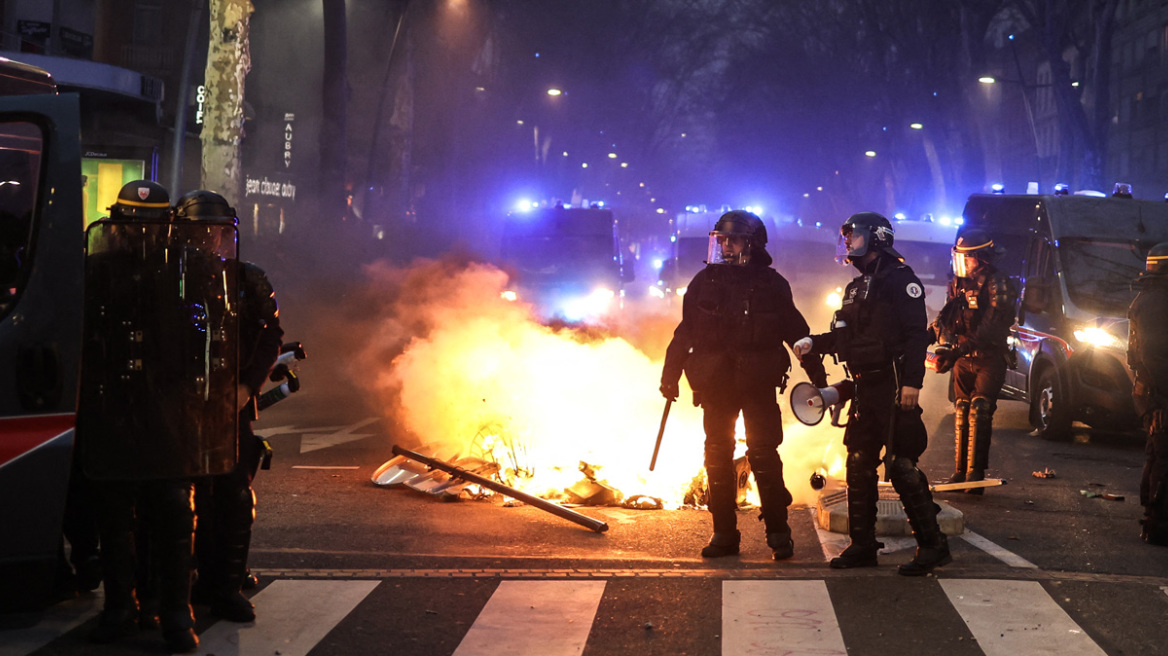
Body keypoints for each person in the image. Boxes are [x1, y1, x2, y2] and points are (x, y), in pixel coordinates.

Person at [78, 180, 241, 653]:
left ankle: (175, 611)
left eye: (150, 225)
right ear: (118, 225)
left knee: (173, 514)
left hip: (169, 411)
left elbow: (210, 337)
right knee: (114, 516)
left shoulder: (190, 272)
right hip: (116, 408)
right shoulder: (98, 271)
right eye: (134, 225)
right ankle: (120, 608)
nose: (141, 234)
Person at [660, 210, 827, 560]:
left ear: (752, 244)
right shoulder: (704, 282)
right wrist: (670, 375)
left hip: (757, 382)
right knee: (717, 456)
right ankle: (724, 535)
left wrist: (818, 376)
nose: (725, 245)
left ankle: (779, 536)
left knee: (763, 454)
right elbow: (685, 332)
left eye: (732, 239)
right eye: (720, 239)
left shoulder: (771, 285)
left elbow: (796, 333)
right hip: (716, 385)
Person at [793, 211, 950, 576]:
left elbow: (915, 335)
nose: (849, 241)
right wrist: (813, 342)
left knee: (901, 466)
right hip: (864, 387)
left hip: (894, 385)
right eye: (847, 235)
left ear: (876, 238)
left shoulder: (902, 281)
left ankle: (933, 545)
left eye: (855, 234)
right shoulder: (855, 287)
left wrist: (913, 383)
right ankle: (862, 545)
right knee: (859, 462)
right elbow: (846, 337)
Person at [178, 190, 283, 621]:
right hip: (180, 405)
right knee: (181, 500)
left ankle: (226, 584)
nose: (208, 239)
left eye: (216, 231)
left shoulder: (248, 279)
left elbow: (269, 337)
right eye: (199, 230)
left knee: (234, 497)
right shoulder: (172, 276)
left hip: (230, 402)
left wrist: (246, 387)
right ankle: (182, 582)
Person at [929, 229, 1016, 493]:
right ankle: (959, 472)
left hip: (989, 357)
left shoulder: (998, 283)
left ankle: (975, 474)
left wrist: (958, 350)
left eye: (967, 258)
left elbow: (991, 328)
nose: (962, 263)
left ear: (980, 258)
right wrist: (940, 342)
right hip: (962, 359)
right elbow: (947, 316)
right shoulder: (957, 281)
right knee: (961, 409)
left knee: (980, 409)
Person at [1128, 241, 1168, 546]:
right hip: (1158, 391)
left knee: (1159, 453)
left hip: (1151, 388)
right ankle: (1156, 523)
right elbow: (1155, 355)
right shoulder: (1157, 304)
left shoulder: (1149, 299)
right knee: (1162, 455)